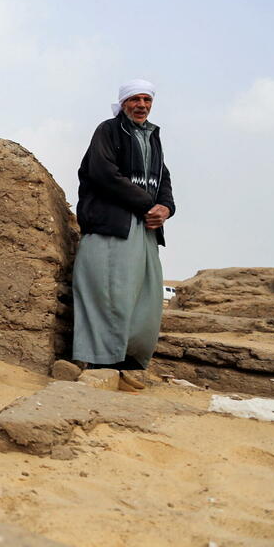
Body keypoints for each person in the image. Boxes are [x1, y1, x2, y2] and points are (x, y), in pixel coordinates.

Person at [71, 79, 175, 389]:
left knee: (147, 295)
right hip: (112, 225)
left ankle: (130, 359)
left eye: (147, 99)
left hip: (145, 229)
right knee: (109, 290)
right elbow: (103, 173)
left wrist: (166, 208)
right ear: (124, 103)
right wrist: (147, 204)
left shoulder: (153, 137)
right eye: (135, 99)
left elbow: (164, 179)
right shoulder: (109, 130)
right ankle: (104, 358)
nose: (142, 105)